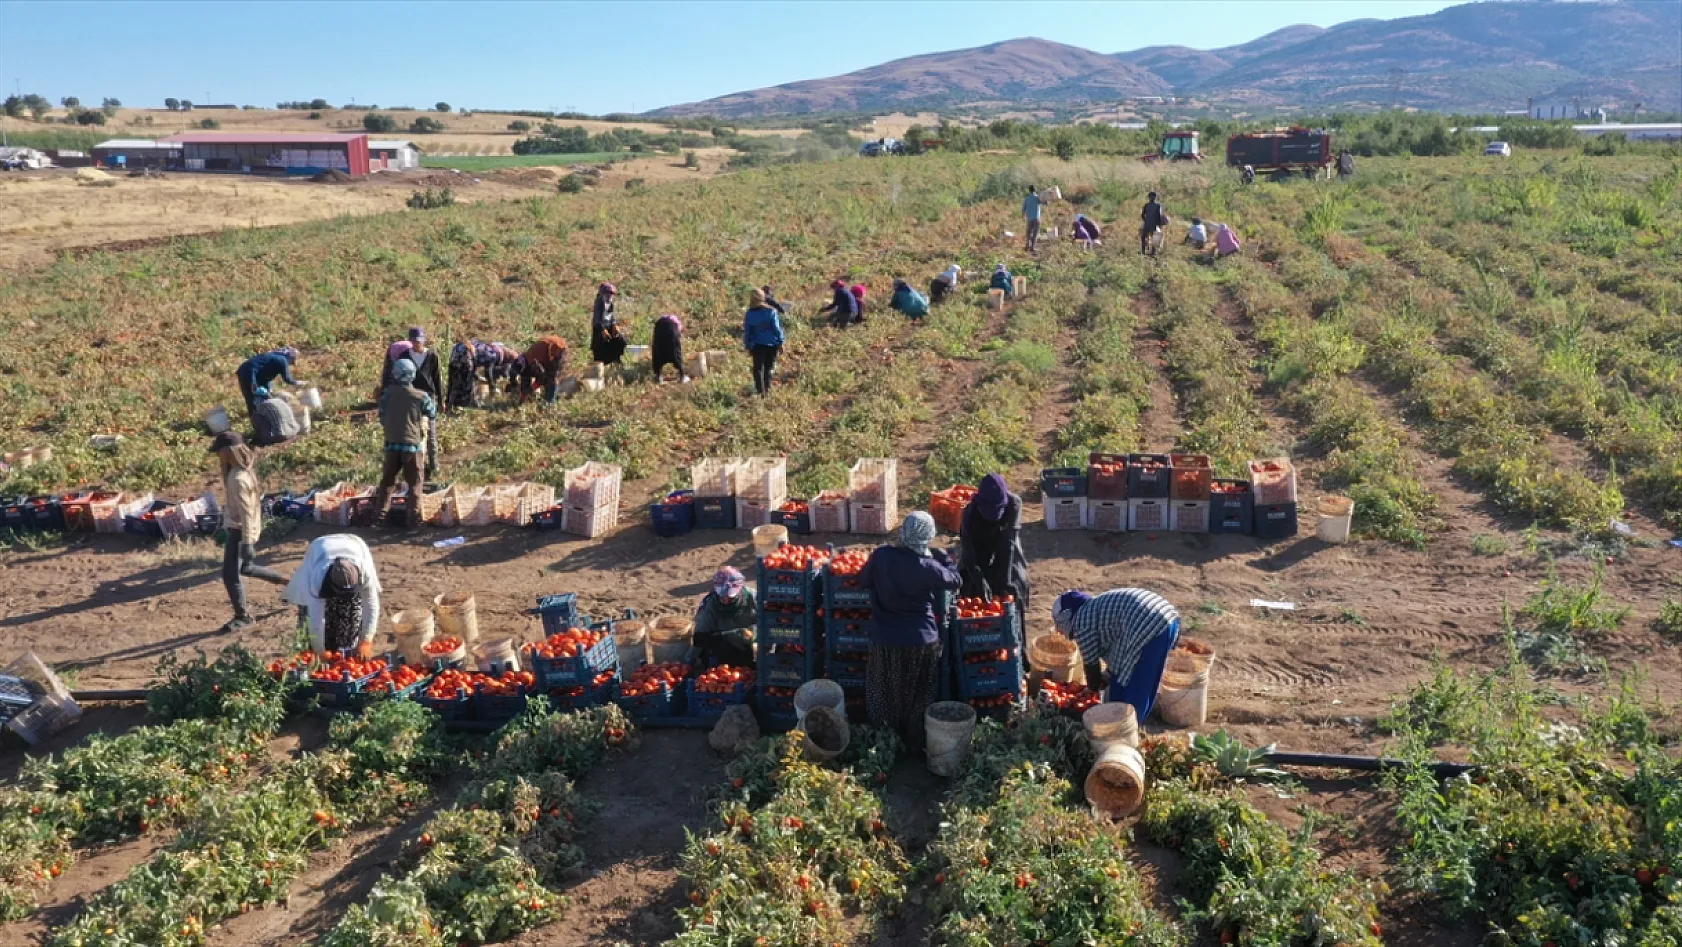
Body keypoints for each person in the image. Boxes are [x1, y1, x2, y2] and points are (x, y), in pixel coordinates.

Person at [861, 512, 961, 753]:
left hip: (885, 638)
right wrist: (945, 559)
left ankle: (885, 743)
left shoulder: (882, 556)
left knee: (885, 691)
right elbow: (955, 580)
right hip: (920, 640)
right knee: (919, 692)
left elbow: (863, 580)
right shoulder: (928, 567)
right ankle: (915, 745)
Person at [1054, 588, 1180, 720]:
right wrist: (1107, 675)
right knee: (1146, 681)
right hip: (1167, 619)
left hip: (1149, 625)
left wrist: (1091, 688)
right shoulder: (1096, 610)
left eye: (1058, 623)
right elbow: (1118, 652)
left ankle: (1126, 726)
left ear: (1066, 615)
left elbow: (1091, 664)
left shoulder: (1081, 621)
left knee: (1135, 684)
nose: (1059, 630)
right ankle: (1130, 723)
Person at [211, 431, 284, 633]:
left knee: (230, 575)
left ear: (227, 452)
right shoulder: (243, 470)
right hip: (238, 529)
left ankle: (242, 616)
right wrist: (224, 526)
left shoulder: (238, 478)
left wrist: (247, 542)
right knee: (246, 568)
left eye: (219, 452)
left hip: (240, 532)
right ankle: (289, 583)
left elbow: (246, 513)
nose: (217, 455)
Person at [284, 533, 381, 657]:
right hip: (320, 549)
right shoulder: (318, 577)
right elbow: (316, 617)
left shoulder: (365, 571)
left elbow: (371, 604)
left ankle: (345, 651)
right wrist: (319, 651)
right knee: (308, 629)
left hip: (354, 544)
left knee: (351, 616)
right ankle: (313, 651)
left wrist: (366, 640)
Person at [372, 358, 435, 527]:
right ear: (412, 375)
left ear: (395, 374)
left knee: (387, 482)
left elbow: (382, 417)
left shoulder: (387, 395)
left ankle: (379, 518)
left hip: (392, 444)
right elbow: (432, 412)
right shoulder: (420, 396)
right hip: (412, 445)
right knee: (415, 483)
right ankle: (413, 520)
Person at [957, 473, 1029, 610]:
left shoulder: (1014, 504)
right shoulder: (969, 513)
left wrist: (1006, 581)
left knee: (1015, 576)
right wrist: (980, 581)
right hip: (980, 542)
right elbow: (968, 554)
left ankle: (1016, 613)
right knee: (969, 581)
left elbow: (1008, 543)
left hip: (1005, 540)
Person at [379, 328, 442, 477]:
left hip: (427, 395)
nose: (416, 344)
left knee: (430, 433)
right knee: (412, 431)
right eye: (414, 341)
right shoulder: (405, 356)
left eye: (419, 341)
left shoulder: (432, 356)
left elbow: (437, 378)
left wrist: (441, 398)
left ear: (424, 340)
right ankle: (417, 466)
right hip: (409, 397)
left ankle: (434, 465)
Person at [691, 567, 757, 668]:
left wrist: (749, 633)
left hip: (749, 644)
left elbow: (768, 623)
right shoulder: (710, 604)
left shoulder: (754, 598)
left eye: (730, 597)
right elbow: (699, 636)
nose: (725, 600)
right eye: (722, 597)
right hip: (722, 646)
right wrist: (689, 661)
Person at [742, 287, 785, 396]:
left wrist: (747, 345)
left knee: (758, 369)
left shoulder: (749, 314)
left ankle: (760, 391)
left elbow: (748, 332)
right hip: (772, 344)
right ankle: (767, 389)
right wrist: (781, 342)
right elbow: (777, 329)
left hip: (757, 345)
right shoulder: (771, 311)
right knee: (768, 368)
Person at [236, 347, 300, 415]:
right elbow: (287, 379)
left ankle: (258, 416)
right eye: (291, 362)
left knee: (252, 398)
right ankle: (259, 417)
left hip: (244, 371)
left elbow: (265, 377)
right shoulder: (282, 360)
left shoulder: (273, 357)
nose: (289, 364)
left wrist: (269, 389)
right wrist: (297, 383)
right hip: (250, 373)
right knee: (253, 397)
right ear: (290, 357)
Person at [514, 335, 569, 403]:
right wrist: (522, 398)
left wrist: (530, 389)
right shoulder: (525, 362)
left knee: (551, 377)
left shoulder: (533, 362)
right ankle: (549, 395)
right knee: (544, 375)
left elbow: (541, 378)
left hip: (559, 349)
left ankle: (549, 402)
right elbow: (525, 379)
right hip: (546, 352)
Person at [590, 282, 627, 366]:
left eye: (611, 294)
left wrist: (614, 324)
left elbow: (612, 316)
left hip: (609, 328)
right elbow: (597, 320)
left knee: (620, 342)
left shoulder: (610, 304)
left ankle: (617, 361)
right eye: (607, 294)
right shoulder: (599, 304)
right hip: (600, 331)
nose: (609, 296)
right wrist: (602, 330)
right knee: (601, 350)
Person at [651, 313, 689, 384]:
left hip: (659, 329)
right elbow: (678, 337)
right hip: (671, 330)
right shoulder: (677, 323)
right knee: (675, 352)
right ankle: (682, 376)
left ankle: (658, 377)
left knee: (658, 352)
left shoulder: (663, 320)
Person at [446, 340, 477, 411]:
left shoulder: (456, 346)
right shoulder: (468, 348)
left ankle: (449, 404)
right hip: (462, 369)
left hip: (452, 368)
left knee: (452, 386)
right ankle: (458, 405)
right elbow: (468, 362)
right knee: (462, 388)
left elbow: (452, 359)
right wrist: (471, 372)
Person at [1140, 191, 1167, 257]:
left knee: (1144, 237)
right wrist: (1159, 224)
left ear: (1149, 198)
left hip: (1147, 224)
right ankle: (1153, 252)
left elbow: (1142, 215)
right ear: (1155, 198)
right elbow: (1159, 216)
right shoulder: (1158, 206)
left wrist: (1146, 220)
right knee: (1155, 238)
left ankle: (1143, 251)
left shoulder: (1146, 205)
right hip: (1154, 224)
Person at [1022, 185, 1042, 252]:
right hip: (1036, 218)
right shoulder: (1037, 198)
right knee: (1035, 233)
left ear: (1029, 190)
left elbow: (1023, 209)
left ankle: (1027, 244)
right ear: (1035, 190)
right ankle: (1032, 247)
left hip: (1029, 219)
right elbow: (1046, 202)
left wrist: (1023, 216)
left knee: (1028, 232)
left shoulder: (1027, 198)